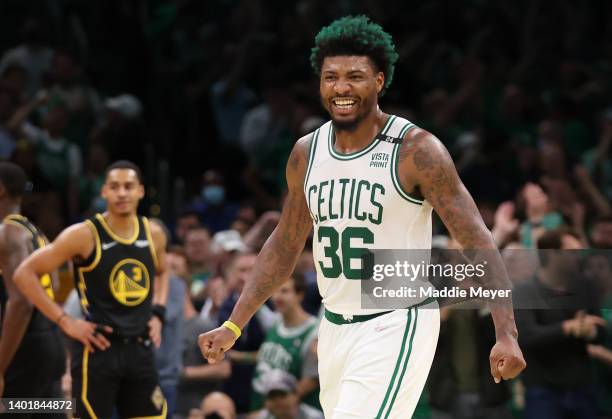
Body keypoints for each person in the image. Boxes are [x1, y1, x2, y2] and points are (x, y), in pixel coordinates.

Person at [199, 15, 525, 418]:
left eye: (355, 76)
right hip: (334, 324)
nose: (341, 88)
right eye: (330, 76)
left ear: (379, 81)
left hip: (396, 320)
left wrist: (505, 331)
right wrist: (234, 324)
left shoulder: (416, 150)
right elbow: (285, 243)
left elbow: (478, 240)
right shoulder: (306, 152)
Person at [14, 160, 169, 419]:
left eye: (128, 186)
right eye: (115, 187)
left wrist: (159, 312)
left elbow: (163, 271)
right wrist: (65, 321)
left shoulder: (154, 234)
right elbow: (24, 274)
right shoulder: (83, 234)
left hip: (140, 349)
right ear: (104, 192)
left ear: (141, 191)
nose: (122, 193)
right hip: (98, 350)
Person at [0, 162, 65, 411]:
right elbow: (55, 283)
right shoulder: (35, 230)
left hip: (23, 348)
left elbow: (21, 302)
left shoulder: (7, 232)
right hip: (50, 343)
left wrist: (0, 368)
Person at [250, 274, 319, 412]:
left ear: (300, 294)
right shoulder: (275, 323)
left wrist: (271, 408)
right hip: (262, 407)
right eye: (275, 291)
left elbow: (312, 380)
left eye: (284, 291)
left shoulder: (314, 332)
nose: (277, 297)